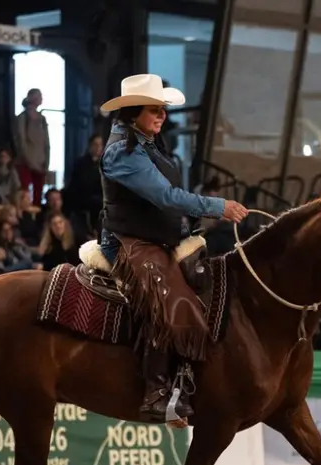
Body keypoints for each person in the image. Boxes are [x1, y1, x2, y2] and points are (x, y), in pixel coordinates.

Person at [97, 74, 248, 426]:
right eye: (154, 109)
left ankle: (184, 379)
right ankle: (156, 393)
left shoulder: (148, 143)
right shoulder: (123, 152)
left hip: (154, 238)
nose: (162, 115)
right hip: (127, 242)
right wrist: (217, 206)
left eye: (162, 109)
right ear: (133, 111)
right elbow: (165, 196)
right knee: (167, 299)